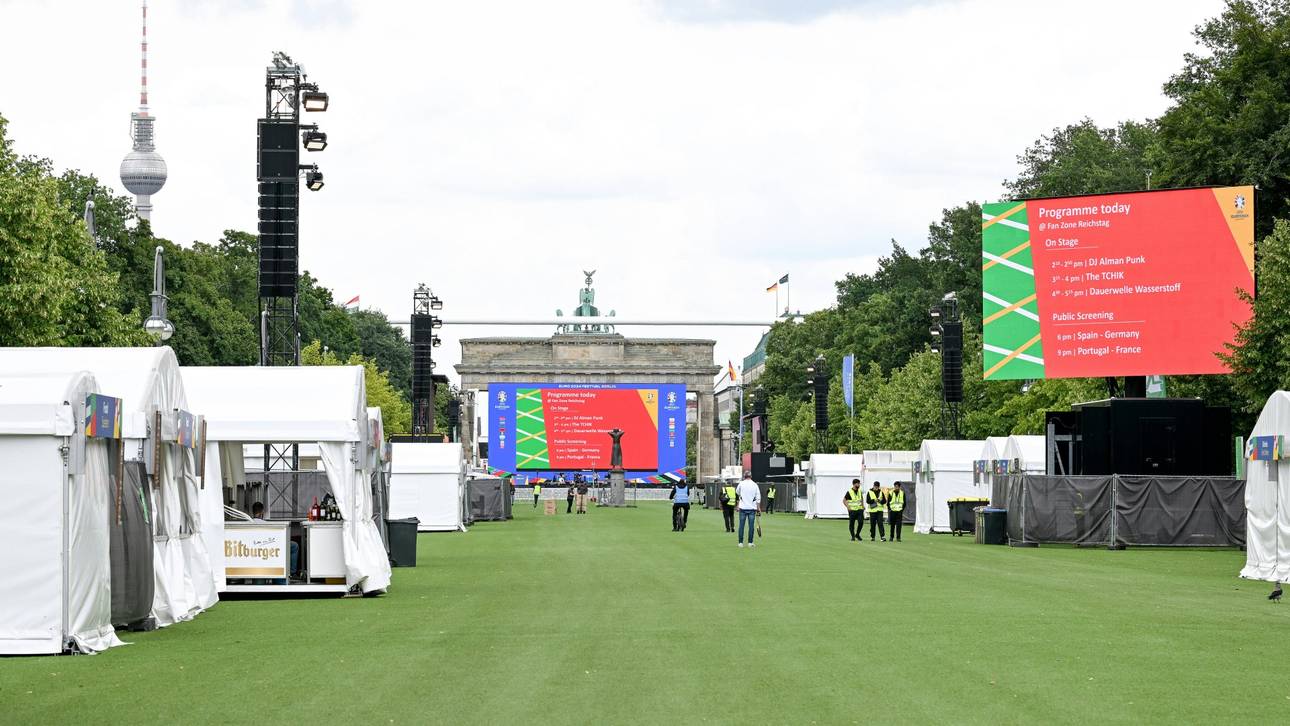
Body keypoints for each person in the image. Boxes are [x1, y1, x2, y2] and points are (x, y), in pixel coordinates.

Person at [735, 475, 760, 547]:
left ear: (744, 477)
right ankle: (750, 543)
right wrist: (758, 508)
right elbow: (758, 497)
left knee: (741, 526)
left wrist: (740, 500)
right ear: (751, 476)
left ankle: (740, 543)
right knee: (751, 526)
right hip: (752, 508)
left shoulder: (741, 483)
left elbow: (737, 492)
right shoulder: (755, 484)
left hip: (742, 508)